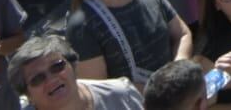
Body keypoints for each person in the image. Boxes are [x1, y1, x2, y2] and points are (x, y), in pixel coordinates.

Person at [9, 35, 142, 110]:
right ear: (28, 95)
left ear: (73, 66)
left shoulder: (121, 95)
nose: (51, 79)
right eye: (37, 79)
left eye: (57, 66)